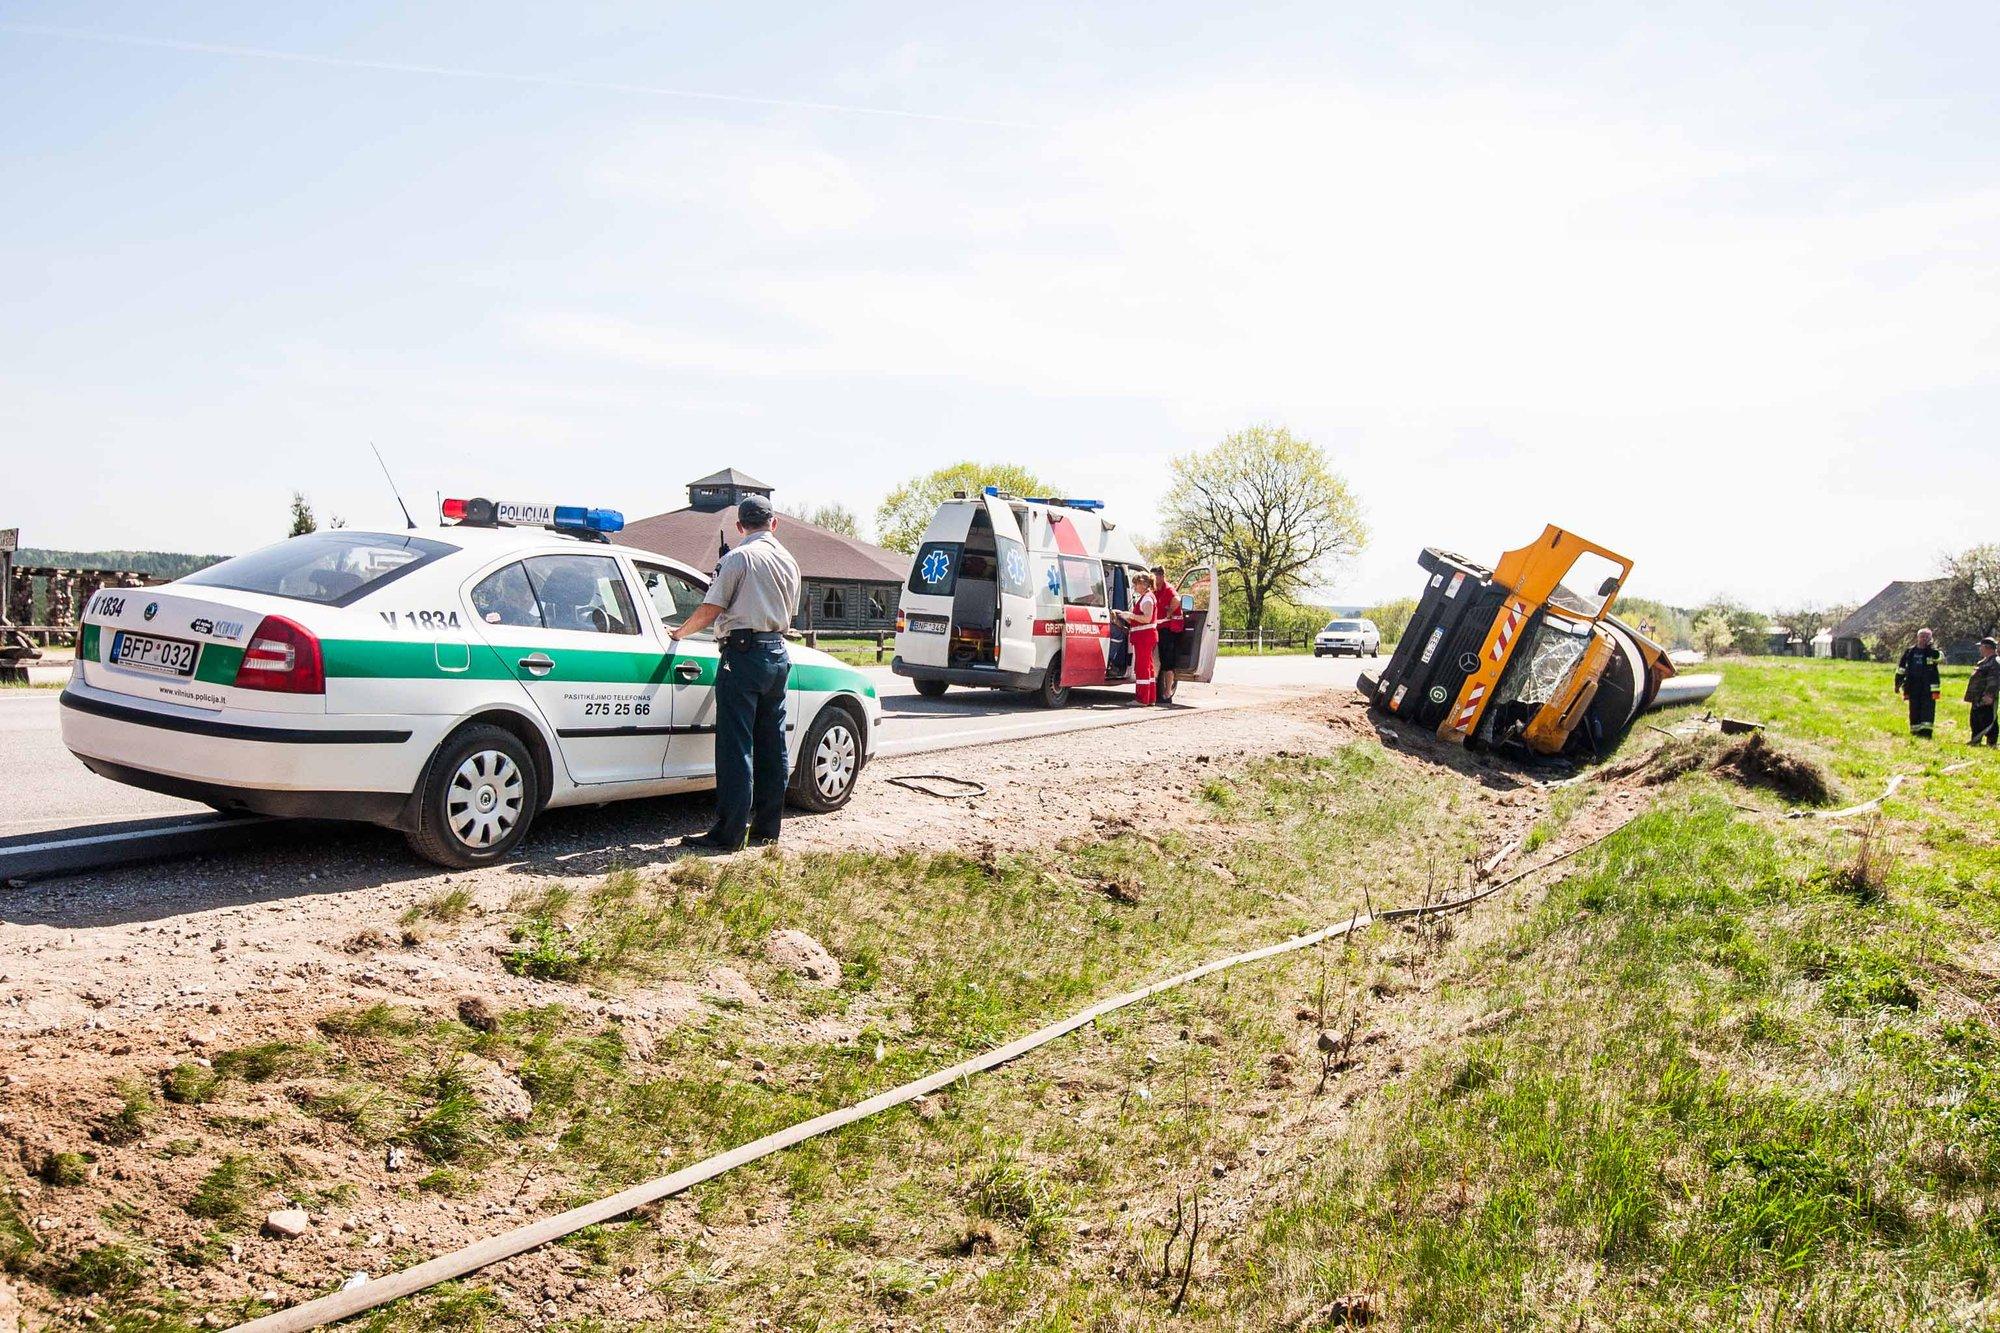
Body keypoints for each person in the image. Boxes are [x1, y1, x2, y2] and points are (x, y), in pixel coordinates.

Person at [668, 494, 802, 850]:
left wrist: (680, 632)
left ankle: (729, 834)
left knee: (736, 745)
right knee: (773, 746)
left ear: (740, 526)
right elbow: (790, 612)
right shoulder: (789, 561)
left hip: (742, 657)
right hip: (777, 653)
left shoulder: (738, 557)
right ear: (774, 523)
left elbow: (712, 606)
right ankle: (767, 829)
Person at [1117, 570, 1161, 706]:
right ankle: (1150, 698)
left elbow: (1146, 618)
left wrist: (1130, 616)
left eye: (1136, 584)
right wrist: (1125, 616)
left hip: (1144, 636)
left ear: (1143, 584)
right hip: (1145, 635)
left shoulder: (1147, 598)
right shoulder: (1148, 597)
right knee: (1148, 666)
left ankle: (1142, 699)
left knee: (1142, 667)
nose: (1134, 587)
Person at [1896, 628, 1944, 738]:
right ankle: (1915, 731)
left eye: (1927, 637)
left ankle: (1926, 733)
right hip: (1913, 686)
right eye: (1922, 636)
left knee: (1927, 710)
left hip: (1929, 687)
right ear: (1917, 637)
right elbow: (1901, 669)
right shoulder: (1910, 652)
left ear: (1931, 639)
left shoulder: (1933, 652)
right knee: (1914, 709)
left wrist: (1930, 648)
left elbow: (1939, 658)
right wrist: (1897, 683)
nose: (1924, 639)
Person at [1151, 564, 1184, 705]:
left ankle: (1167, 693)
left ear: (1161, 576)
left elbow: (1177, 599)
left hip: (1169, 630)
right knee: (1158, 662)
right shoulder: (1154, 590)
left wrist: (1170, 611)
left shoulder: (1168, 589)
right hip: (1157, 628)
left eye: (1154, 576)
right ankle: (1158, 691)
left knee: (1167, 663)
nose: (1152, 579)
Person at [1968, 636, 1999, 747]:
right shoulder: (1983, 662)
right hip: (1977, 697)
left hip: (1986, 697)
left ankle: (1991, 743)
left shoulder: (1995, 662)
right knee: (1976, 720)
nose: (1979, 649)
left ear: (1987, 648)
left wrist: (1990, 695)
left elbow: (1994, 679)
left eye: (1981, 647)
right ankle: (1975, 741)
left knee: (1988, 720)